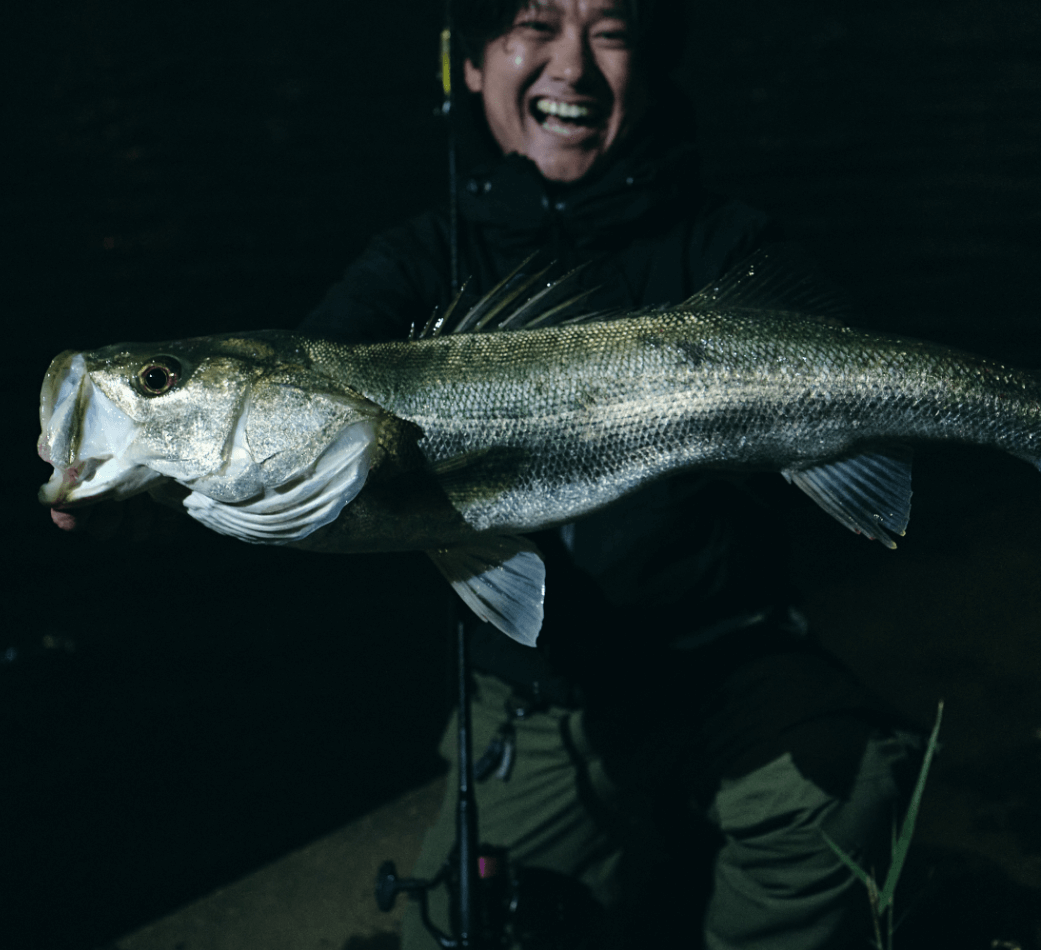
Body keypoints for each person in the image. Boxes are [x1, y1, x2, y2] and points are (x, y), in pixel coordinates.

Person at [302, 2, 918, 948]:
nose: (572, 68)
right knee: (456, 930)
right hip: (544, 695)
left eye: (612, 32)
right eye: (533, 26)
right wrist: (154, 490)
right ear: (469, 64)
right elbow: (299, 404)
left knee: (850, 785)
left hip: (730, 662)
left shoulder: (724, 244)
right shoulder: (418, 265)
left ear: (653, 64)